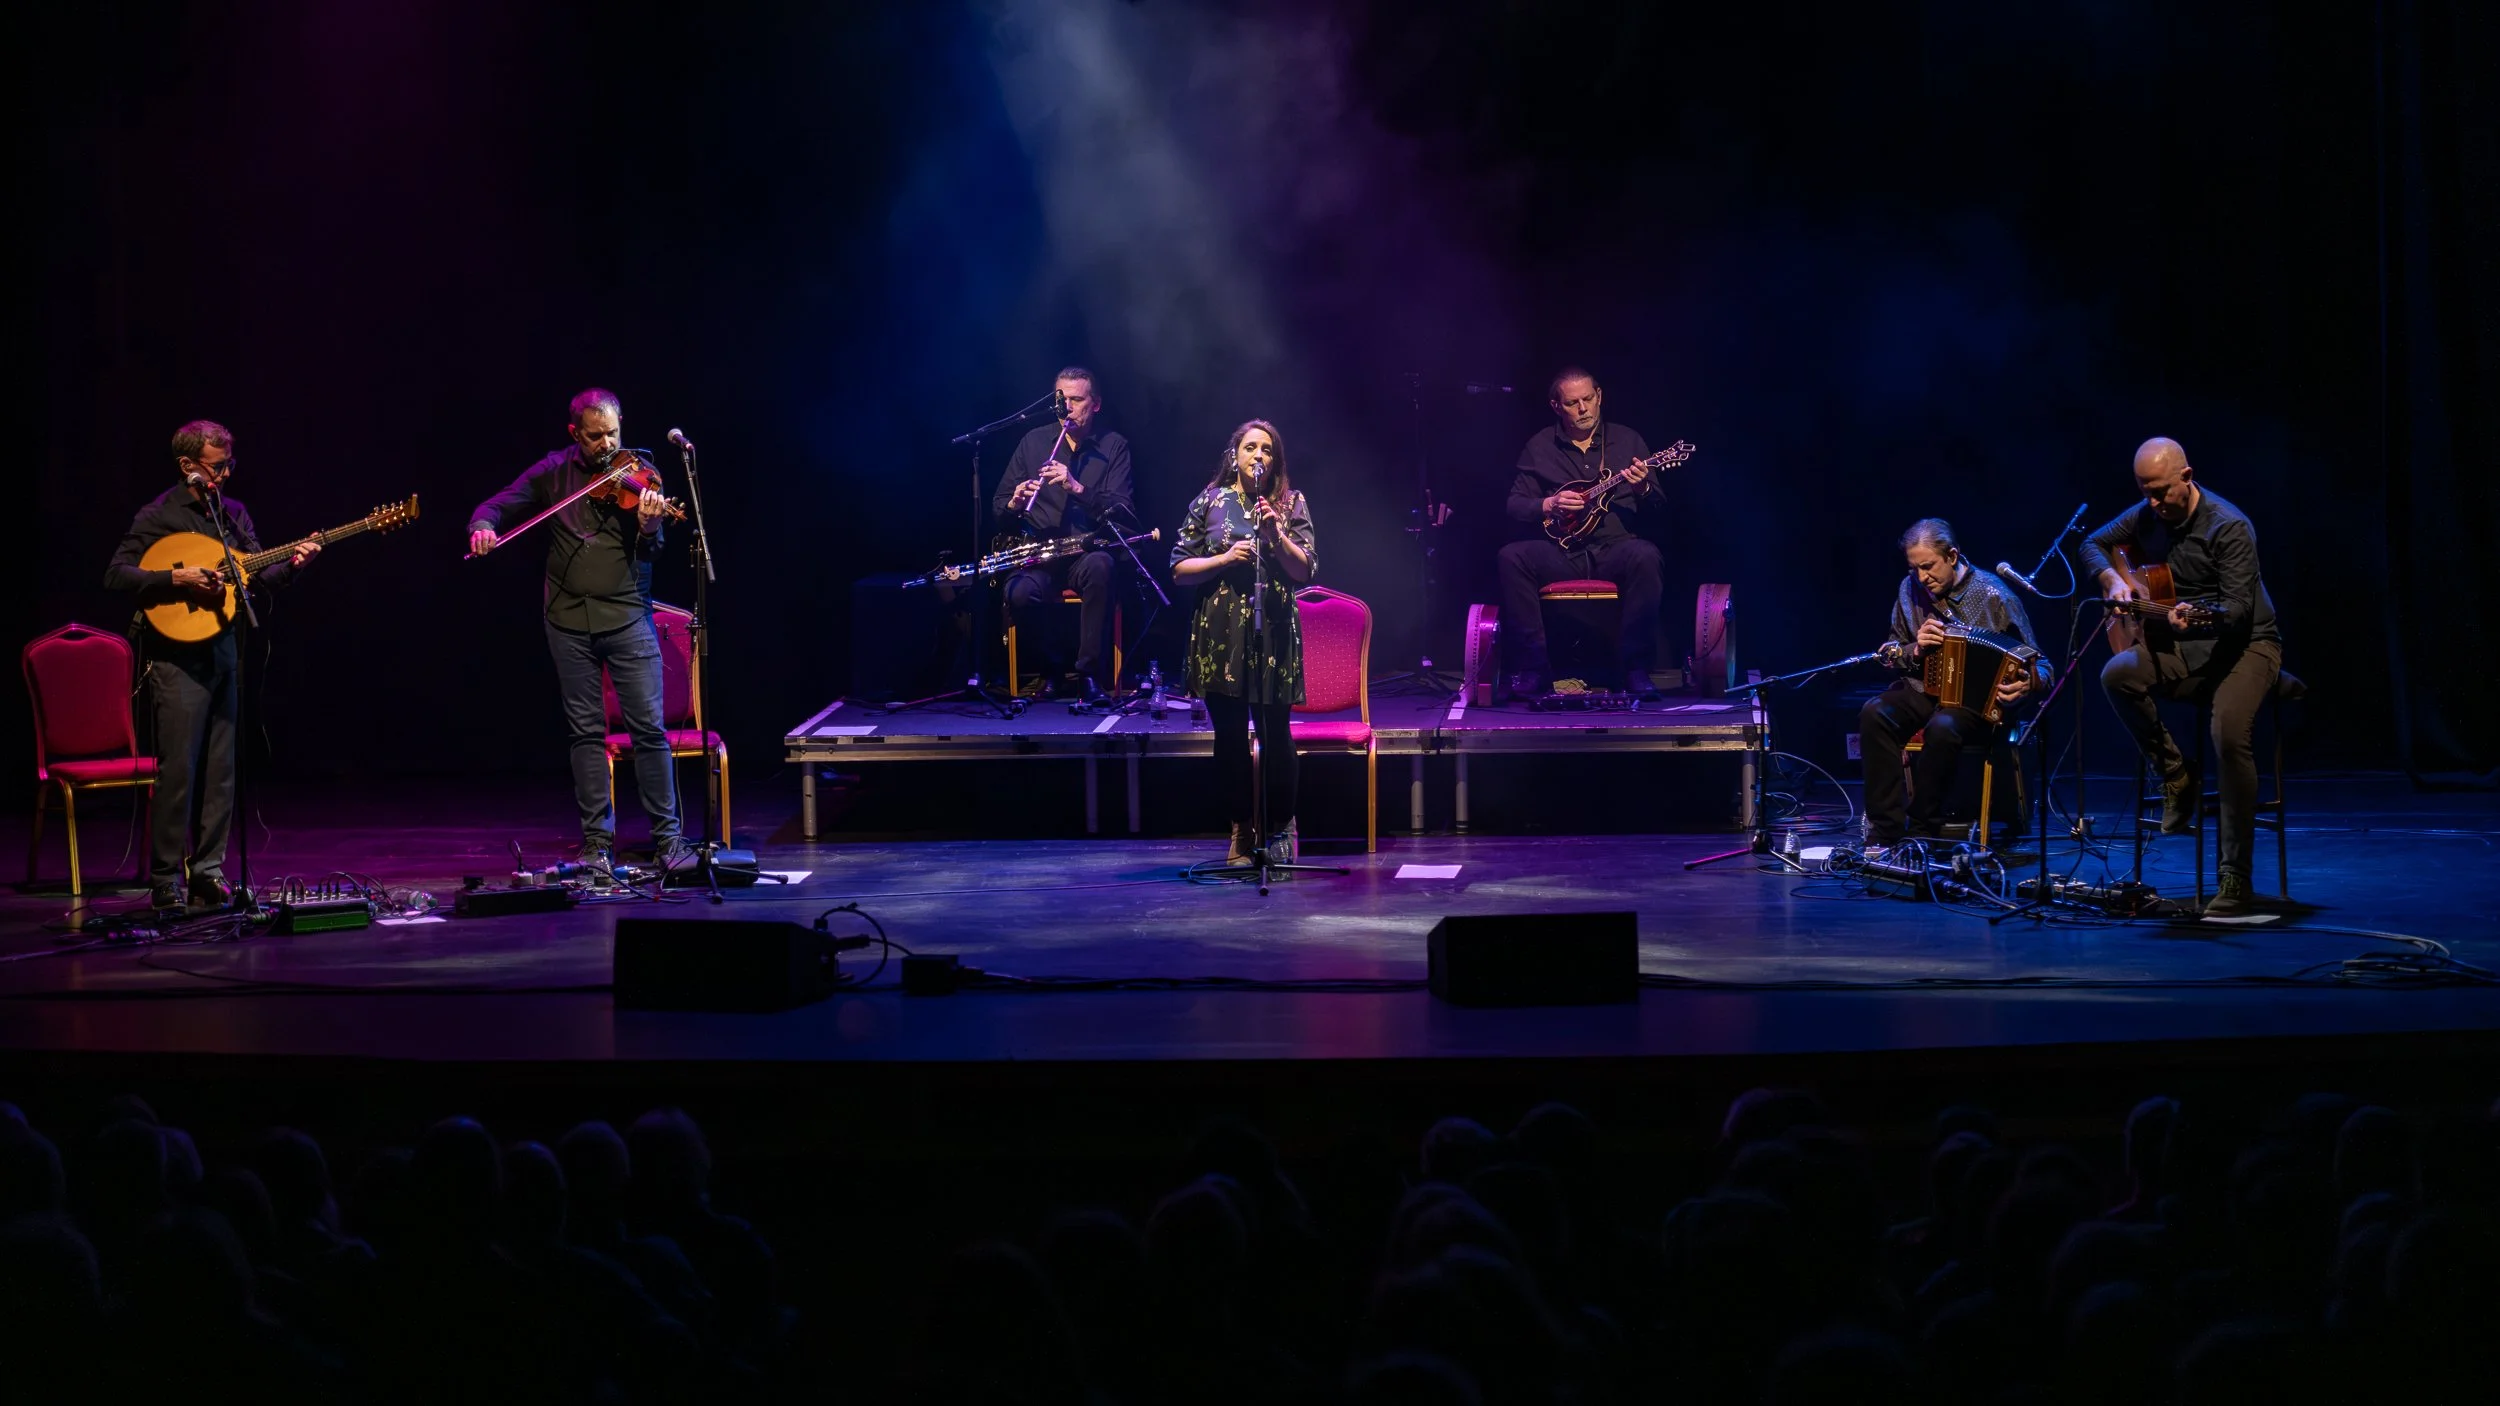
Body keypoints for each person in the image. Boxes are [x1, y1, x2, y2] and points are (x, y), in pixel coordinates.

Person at [467, 388, 687, 879]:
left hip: (629, 617)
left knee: (649, 731)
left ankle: (669, 841)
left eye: (613, 432)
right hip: (567, 621)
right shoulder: (553, 472)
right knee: (586, 734)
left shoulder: (642, 475)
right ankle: (596, 845)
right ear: (575, 434)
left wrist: (651, 526)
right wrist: (482, 526)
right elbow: (497, 505)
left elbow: (652, 553)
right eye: (595, 437)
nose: (607, 444)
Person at [104, 420, 320, 912]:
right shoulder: (159, 514)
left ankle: (208, 871)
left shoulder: (232, 517)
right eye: (216, 466)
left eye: (228, 465)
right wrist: (175, 578)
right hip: (176, 659)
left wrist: (296, 563)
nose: (224, 474)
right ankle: (165, 879)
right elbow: (116, 575)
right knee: (178, 771)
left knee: (222, 771)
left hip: (224, 652)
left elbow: (257, 576)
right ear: (187, 466)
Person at [2080, 436, 2282, 916]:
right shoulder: (2148, 511)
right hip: (2182, 646)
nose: (2151, 503)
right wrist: (2111, 579)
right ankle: (2176, 773)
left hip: (2247, 644)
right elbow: (2093, 543)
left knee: (2228, 735)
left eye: (2160, 492)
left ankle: (2235, 876)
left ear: (2186, 478)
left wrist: (2196, 614)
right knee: (2116, 674)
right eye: (2143, 491)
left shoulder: (2229, 526)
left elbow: (2235, 612)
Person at [1172, 420, 1317, 866]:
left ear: (1275, 460)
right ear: (1234, 455)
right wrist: (1222, 557)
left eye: (1267, 450)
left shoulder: (1290, 503)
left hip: (1271, 629)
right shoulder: (1209, 501)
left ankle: (1281, 829)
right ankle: (1241, 830)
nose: (1258, 456)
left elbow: (1305, 570)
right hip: (1220, 636)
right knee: (1230, 736)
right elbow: (1178, 568)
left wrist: (1276, 536)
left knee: (1277, 734)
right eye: (1250, 447)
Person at [1856, 519, 2045, 850]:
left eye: (1928, 567)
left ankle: (1921, 827)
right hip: (1922, 688)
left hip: (1975, 703)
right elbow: (1890, 653)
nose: (1921, 577)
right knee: (1875, 713)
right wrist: (1915, 647)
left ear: (1953, 556)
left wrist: (2030, 684)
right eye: (1914, 568)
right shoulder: (1908, 589)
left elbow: (2041, 663)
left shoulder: (1994, 595)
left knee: (1943, 725)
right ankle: (1884, 831)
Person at [1499, 367, 1668, 697]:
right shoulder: (1540, 446)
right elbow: (1514, 505)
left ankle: (1635, 669)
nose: (1583, 409)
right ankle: (1534, 670)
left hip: (1615, 549)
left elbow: (1660, 507)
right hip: (1562, 554)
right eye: (1573, 402)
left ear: (1599, 397)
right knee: (1511, 557)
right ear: (1556, 406)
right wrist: (1548, 504)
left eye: (1589, 399)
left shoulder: (1628, 440)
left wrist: (1643, 486)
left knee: (1646, 555)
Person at [993, 367, 1135, 703]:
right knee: (1020, 592)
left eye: (1076, 400)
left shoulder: (1114, 446)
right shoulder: (1033, 442)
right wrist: (1015, 503)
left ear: (1095, 404)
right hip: (1041, 553)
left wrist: (1076, 487)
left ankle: (1088, 674)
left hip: (1085, 552)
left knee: (1102, 567)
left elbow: (1123, 513)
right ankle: (1052, 670)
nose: (1067, 408)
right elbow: (999, 510)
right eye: (1061, 400)